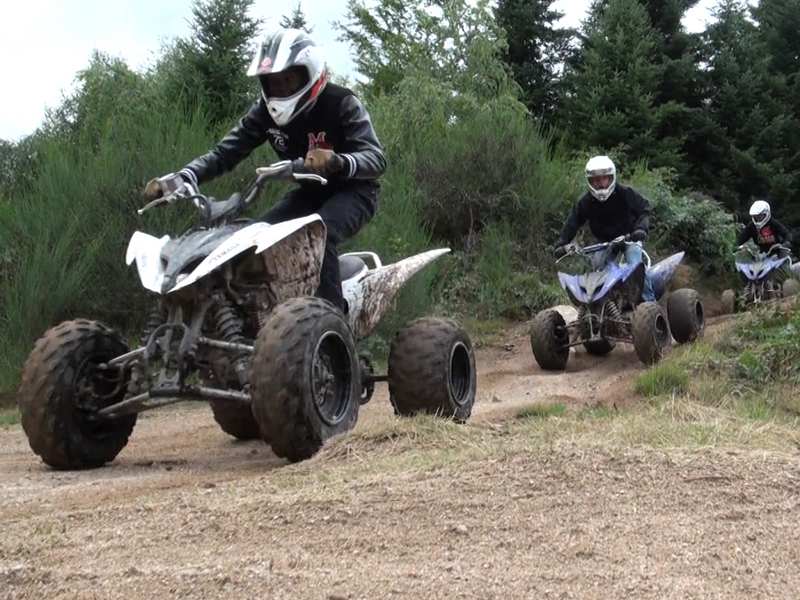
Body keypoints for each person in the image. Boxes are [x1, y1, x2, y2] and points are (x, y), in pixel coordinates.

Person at [143, 28, 386, 313]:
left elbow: (377, 158)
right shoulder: (262, 113)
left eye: (288, 79)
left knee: (319, 234)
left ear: (310, 74)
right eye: (273, 82)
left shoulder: (341, 102)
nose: (281, 89)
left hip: (355, 192)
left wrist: (338, 162)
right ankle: (263, 322)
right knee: (256, 239)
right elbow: (224, 153)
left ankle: (331, 327)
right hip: (308, 194)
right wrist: (182, 177)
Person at [554, 155, 655, 302]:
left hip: (629, 238)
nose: (600, 183)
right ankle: (602, 310)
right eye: (595, 180)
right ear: (589, 181)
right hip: (604, 242)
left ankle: (650, 304)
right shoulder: (586, 202)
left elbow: (644, 209)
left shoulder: (625, 193)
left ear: (611, 177)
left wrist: (640, 229)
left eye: (603, 178)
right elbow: (572, 223)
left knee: (635, 267)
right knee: (596, 271)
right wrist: (562, 243)